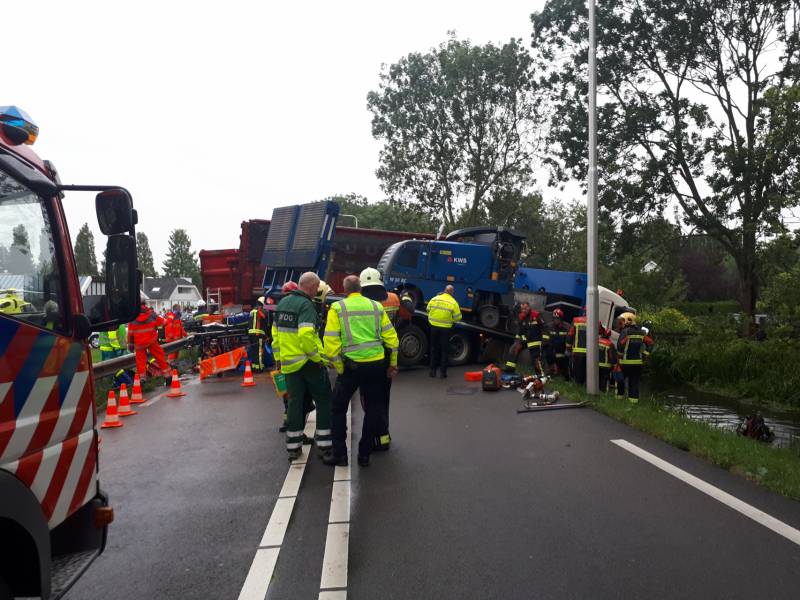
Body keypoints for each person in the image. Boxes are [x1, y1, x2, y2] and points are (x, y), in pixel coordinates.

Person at [323, 275, 399, 467]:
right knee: (373, 408)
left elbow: (331, 343)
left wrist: (340, 367)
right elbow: (392, 339)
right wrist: (392, 364)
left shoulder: (338, 308)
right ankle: (364, 454)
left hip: (352, 366)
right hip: (376, 365)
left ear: (345, 289)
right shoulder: (376, 307)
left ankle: (340, 454)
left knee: (338, 407)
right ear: (361, 288)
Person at [271, 272, 333, 462]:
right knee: (323, 400)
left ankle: (293, 447)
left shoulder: (282, 304)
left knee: (295, 405)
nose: (317, 291)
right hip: (308, 364)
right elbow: (306, 336)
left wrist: (279, 360)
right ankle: (324, 445)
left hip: (289, 365)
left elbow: (275, 336)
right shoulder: (306, 305)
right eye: (316, 288)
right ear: (311, 287)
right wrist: (317, 359)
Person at [359, 267, 400, 451]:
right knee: (384, 398)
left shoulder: (361, 303)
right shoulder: (392, 298)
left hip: (368, 356)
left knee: (369, 400)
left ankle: (372, 435)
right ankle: (384, 435)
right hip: (387, 353)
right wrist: (393, 364)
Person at [616, 312, 654, 404]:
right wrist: (645, 354)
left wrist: (618, 357)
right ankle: (633, 404)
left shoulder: (625, 332)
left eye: (622, 321)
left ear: (628, 321)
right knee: (634, 384)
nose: (621, 323)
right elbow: (651, 343)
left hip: (625, 363)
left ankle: (618, 401)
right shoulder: (641, 333)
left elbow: (620, 345)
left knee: (620, 382)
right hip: (637, 364)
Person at [127, 299, 169, 380]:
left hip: (139, 344)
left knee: (140, 362)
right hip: (152, 341)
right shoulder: (152, 314)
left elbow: (130, 334)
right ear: (145, 304)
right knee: (160, 357)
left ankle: (142, 379)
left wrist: (131, 346)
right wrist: (156, 327)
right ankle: (168, 376)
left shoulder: (132, 317)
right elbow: (164, 323)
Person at [426, 284, 461, 378]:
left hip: (433, 327)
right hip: (446, 329)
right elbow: (458, 318)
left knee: (433, 349)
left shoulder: (435, 298)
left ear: (445, 290)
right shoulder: (453, 302)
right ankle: (442, 373)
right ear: (452, 292)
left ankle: (432, 372)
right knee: (444, 351)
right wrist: (451, 320)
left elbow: (428, 309)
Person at [504, 302, 531, 373]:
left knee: (514, 348)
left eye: (525, 309)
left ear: (529, 308)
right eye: (522, 309)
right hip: (521, 340)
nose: (524, 311)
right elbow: (519, 331)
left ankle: (510, 369)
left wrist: (521, 341)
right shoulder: (522, 317)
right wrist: (517, 340)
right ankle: (510, 369)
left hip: (528, 341)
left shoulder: (531, 318)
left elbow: (530, 334)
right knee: (512, 349)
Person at [545, 308, 570, 380]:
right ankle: (551, 370)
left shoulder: (567, 327)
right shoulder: (549, 327)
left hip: (563, 352)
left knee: (565, 372)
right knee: (548, 353)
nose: (556, 320)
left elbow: (569, 340)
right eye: (554, 318)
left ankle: (565, 377)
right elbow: (546, 341)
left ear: (561, 319)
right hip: (551, 352)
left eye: (557, 318)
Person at [566, 310, 588, 384]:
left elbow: (570, 334)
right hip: (589, 353)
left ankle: (577, 384)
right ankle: (583, 385)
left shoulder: (576, 320)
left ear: (584, 312)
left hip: (577, 351)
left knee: (577, 369)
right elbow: (602, 334)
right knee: (585, 370)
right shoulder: (597, 322)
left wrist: (568, 347)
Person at [247, 296, 267, 371]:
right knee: (259, 351)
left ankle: (255, 366)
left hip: (251, 334)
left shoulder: (252, 311)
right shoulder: (261, 311)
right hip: (258, 334)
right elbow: (261, 321)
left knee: (254, 351)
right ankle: (259, 367)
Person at [598, 327, 618, 393]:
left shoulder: (597, 341)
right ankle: (602, 392)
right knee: (603, 381)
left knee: (597, 379)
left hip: (596, 365)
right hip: (606, 366)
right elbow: (613, 357)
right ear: (609, 335)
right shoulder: (610, 344)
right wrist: (614, 365)